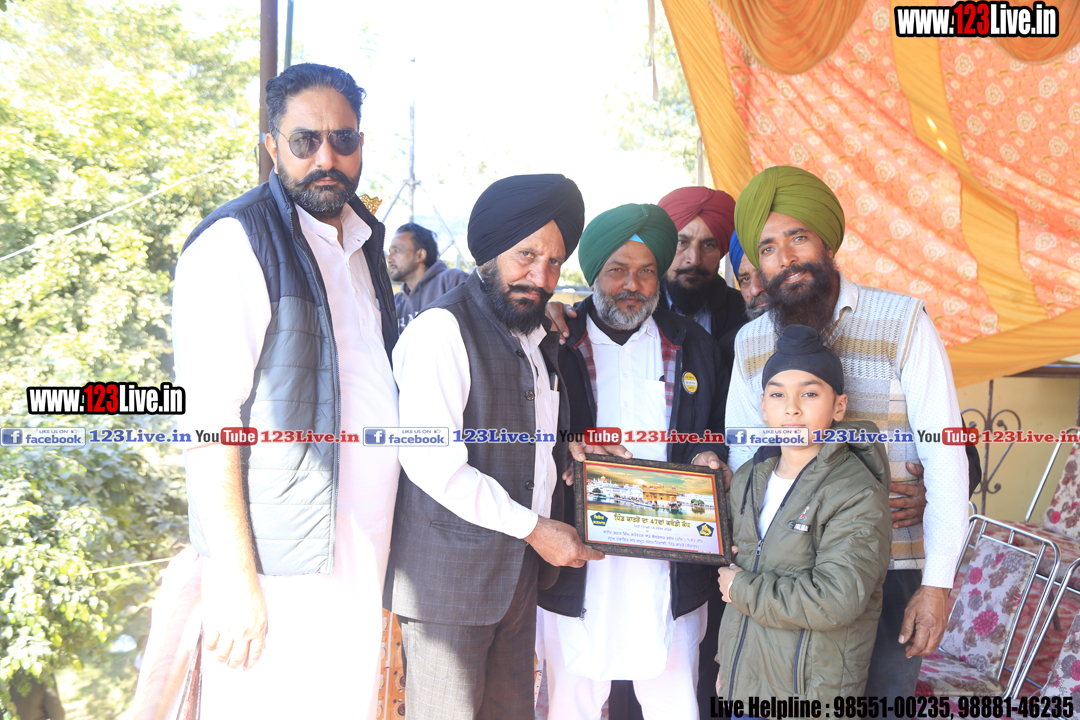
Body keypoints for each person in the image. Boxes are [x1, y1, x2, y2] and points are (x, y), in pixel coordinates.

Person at [172, 63, 399, 718]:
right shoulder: (235, 243)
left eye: (343, 139)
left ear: (360, 143)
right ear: (273, 146)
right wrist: (236, 578)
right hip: (276, 568)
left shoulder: (363, 242)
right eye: (305, 141)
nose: (327, 158)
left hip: (360, 552)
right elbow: (207, 426)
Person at [725, 165, 969, 703]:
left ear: (826, 242)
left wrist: (937, 584)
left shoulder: (902, 322)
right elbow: (746, 457)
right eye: (767, 248)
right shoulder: (751, 342)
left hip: (894, 564)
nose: (785, 259)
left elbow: (946, 453)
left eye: (798, 238)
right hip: (783, 578)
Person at [386, 174, 603, 720]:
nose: (541, 277)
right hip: (450, 586)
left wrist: (568, 454)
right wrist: (536, 529)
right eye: (526, 255)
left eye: (554, 262)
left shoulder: (535, 337)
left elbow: (531, 437)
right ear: (488, 253)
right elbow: (431, 462)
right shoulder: (440, 330)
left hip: (515, 577)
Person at [537, 203, 728, 719]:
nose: (633, 285)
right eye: (617, 269)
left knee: (675, 701)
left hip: (670, 558)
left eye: (646, 271)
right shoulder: (555, 341)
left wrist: (710, 455)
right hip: (579, 557)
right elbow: (526, 435)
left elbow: (717, 429)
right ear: (593, 272)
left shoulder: (693, 344)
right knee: (572, 702)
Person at [717, 324, 892, 701]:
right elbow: (741, 566)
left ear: (839, 406)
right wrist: (728, 670)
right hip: (745, 686)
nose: (792, 407)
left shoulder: (855, 491)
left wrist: (741, 589)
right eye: (777, 394)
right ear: (763, 406)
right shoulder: (748, 479)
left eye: (809, 393)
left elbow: (837, 598)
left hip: (810, 692)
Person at [388, 221, 467, 330]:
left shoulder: (452, 280)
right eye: (390, 252)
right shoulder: (396, 301)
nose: (389, 259)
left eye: (396, 251)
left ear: (420, 255)